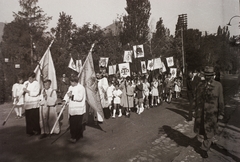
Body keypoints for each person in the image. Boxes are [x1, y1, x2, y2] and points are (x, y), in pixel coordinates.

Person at [194, 66, 224, 158]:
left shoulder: (218, 85)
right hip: (202, 112)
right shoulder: (200, 85)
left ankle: (204, 148)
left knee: (210, 131)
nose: (208, 77)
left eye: (210, 75)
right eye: (206, 75)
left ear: (213, 75)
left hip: (212, 113)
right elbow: (196, 98)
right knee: (202, 130)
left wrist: (221, 113)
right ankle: (207, 142)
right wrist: (195, 110)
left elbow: (221, 100)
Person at [63, 75, 86, 143]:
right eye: (70, 82)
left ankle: (75, 137)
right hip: (72, 109)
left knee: (77, 123)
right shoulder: (70, 87)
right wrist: (65, 100)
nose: (71, 83)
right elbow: (67, 95)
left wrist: (72, 96)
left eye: (72, 82)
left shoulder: (81, 87)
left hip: (78, 109)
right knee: (72, 123)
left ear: (76, 81)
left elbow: (80, 98)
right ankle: (74, 136)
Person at [23, 72, 41, 136]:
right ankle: (29, 131)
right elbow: (22, 90)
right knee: (28, 118)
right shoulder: (26, 83)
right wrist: (19, 94)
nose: (29, 80)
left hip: (34, 103)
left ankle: (37, 130)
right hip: (27, 103)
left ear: (34, 78)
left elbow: (36, 93)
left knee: (35, 118)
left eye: (31, 78)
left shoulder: (37, 84)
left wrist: (28, 91)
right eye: (28, 78)